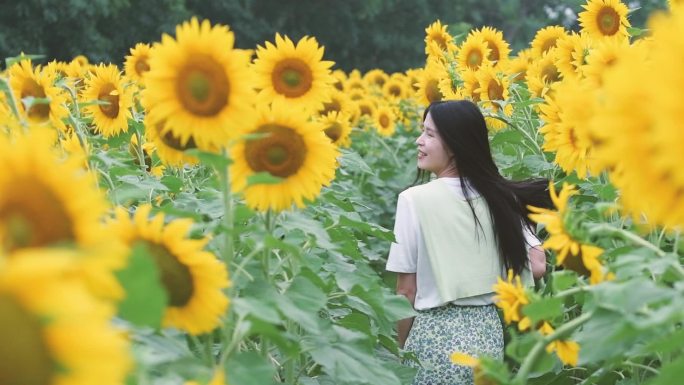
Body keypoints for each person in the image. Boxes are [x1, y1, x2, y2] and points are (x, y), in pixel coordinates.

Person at [386, 100, 551, 385]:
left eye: (429, 134)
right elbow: (537, 265)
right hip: (486, 338)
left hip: (433, 339)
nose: (419, 140)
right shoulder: (500, 196)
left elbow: (406, 290)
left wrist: (403, 349)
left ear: (454, 143)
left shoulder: (413, 200)